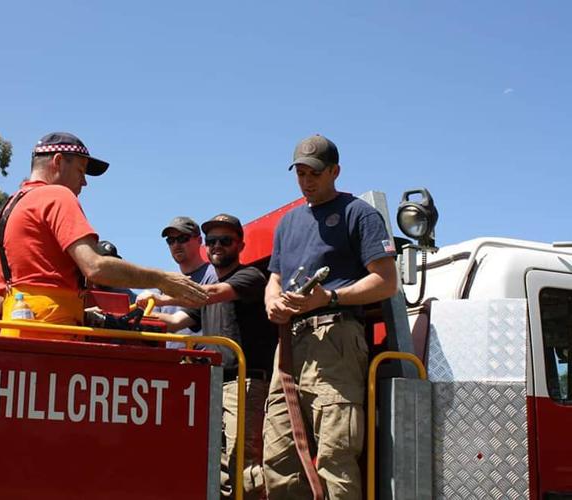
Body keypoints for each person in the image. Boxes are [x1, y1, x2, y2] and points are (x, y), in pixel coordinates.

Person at [262, 134, 398, 499]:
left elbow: (386, 282)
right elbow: (274, 278)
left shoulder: (359, 214)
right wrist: (272, 301)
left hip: (335, 340)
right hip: (289, 345)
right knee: (278, 457)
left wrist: (331, 297)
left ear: (335, 171)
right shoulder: (288, 222)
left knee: (335, 456)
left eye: (315, 173)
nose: (306, 181)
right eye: (301, 173)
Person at [0, 131, 207, 339]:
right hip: (55, 339)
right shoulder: (56, 195)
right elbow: (95, 267)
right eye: (80, 171)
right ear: (57, 161)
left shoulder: (5, 213)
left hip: (14, 333)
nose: (84, 182)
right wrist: (162, 279)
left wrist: (81, 314)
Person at [140, 214, 277, 500]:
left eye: (225, 240)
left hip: (245, 385)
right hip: (214, 386)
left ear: (240, 244)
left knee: (244, 466)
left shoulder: (250, 277)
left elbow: (211, 293)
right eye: (212, 240)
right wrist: (137, 316)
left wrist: (163, 295)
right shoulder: (203, 295)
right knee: (217, 466)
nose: (217, 246)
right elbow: (177, 322)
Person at [159, 216, 217, 348]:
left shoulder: (214, 276)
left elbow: (175, 322)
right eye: (171, 241)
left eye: (182, 239)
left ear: (200, 240)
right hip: (170, 364)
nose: (176, 245)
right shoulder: (165, 284)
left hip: (200, 363)